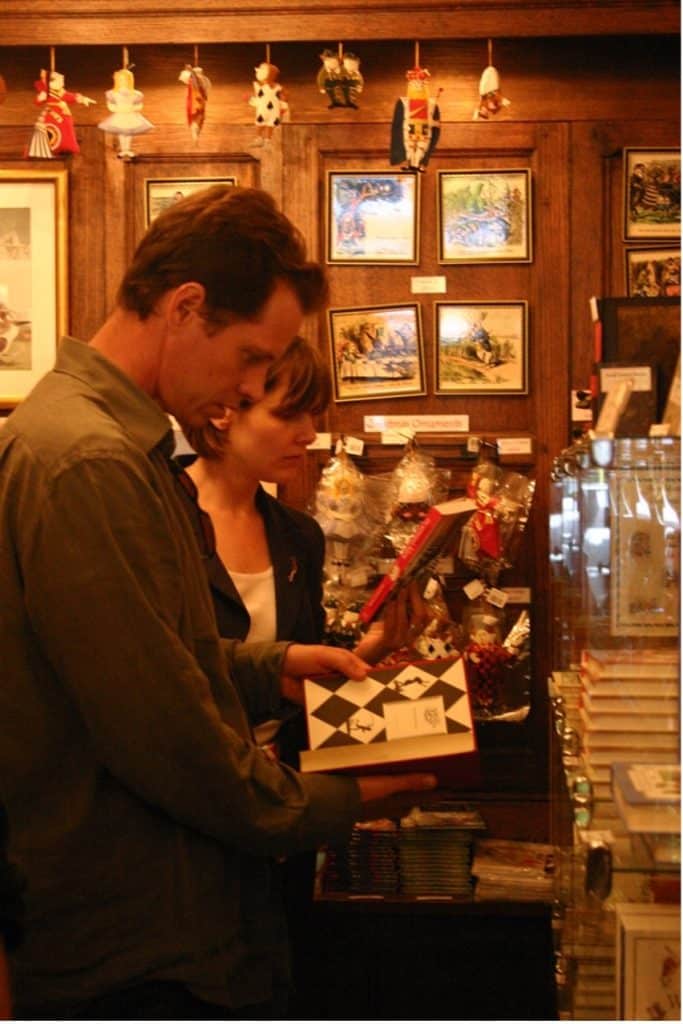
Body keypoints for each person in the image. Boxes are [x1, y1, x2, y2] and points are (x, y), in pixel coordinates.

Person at [0, 184, 436, 1020]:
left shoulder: (111, 442)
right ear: (185, 306)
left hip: (152, 929)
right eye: (247, 358)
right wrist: (344, 798)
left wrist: (273, 667)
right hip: (131, 948)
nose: (245, 391)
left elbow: (147, 657)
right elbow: (162, 733)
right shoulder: (89, 460)